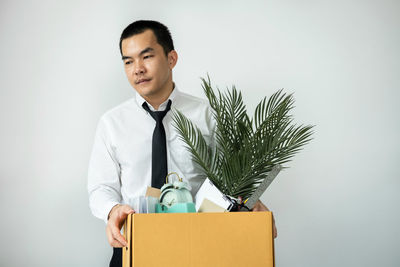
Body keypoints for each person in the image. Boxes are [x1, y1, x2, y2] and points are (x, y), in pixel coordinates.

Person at [87, 20, 276, 267]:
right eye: (128, 61)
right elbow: (100, 187)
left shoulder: (206, 114)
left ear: (171, 58)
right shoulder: (111, 123)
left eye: (146, 56)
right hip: (133, 243)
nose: (138, 69)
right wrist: (113, 211)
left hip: (200, 244)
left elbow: (232, 177)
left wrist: (249, 201)